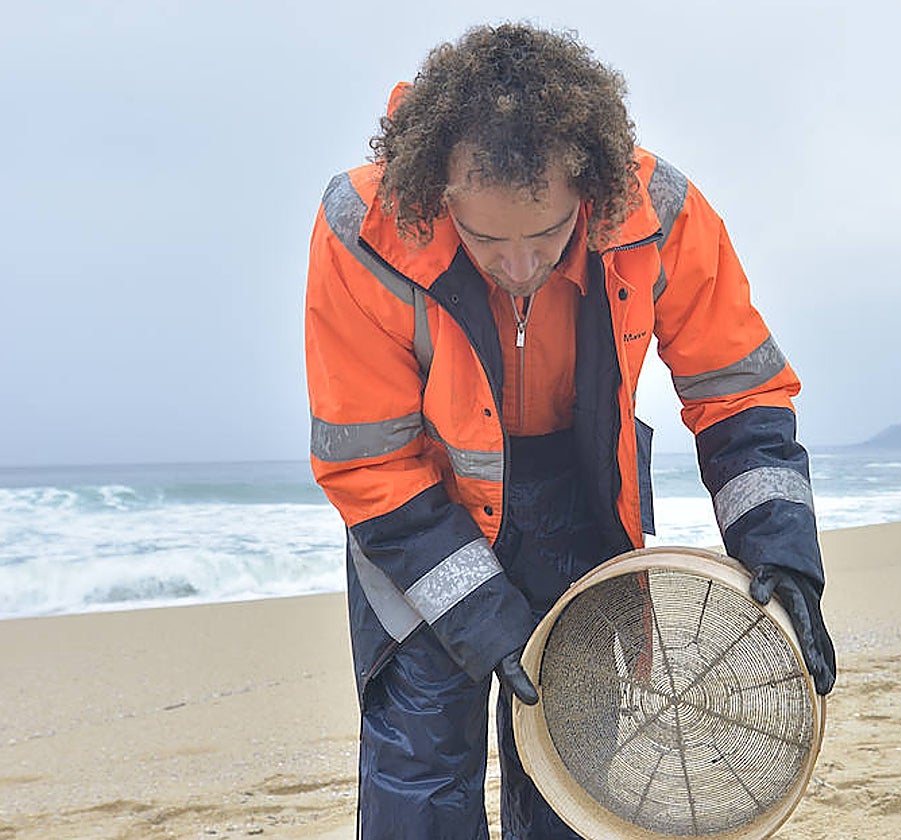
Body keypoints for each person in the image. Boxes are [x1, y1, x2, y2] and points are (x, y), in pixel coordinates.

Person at [304, 23, 835, 840]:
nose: (519, 269)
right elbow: (368, 460)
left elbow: (738, 391)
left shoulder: (658, 211)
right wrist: (482, 615)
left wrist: (782, 549)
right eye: (487, 241)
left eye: (545, 237)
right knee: (420, 778)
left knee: (568, 775)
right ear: (439, 196)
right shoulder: (364, 229)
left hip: (580, 504)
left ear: (588, 192)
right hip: (419, 521)